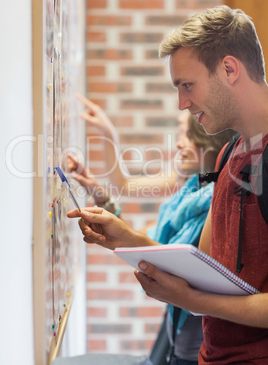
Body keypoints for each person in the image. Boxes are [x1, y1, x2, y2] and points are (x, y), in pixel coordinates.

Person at [68, 5, 268, 363]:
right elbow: (205, 264)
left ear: (229, 69)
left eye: (187, 85)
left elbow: (199, 291)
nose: (182, 103)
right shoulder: (227, 156)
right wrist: (125, 239)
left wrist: (191, 301)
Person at [68, 109, 234, 364]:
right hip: (173, 348)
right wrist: (103, 201)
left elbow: (149, 250)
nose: (179, 142)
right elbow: (137, 239)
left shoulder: (217, 205)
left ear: (211, 141)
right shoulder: (192, 189)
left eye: (187, 134)